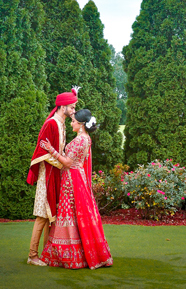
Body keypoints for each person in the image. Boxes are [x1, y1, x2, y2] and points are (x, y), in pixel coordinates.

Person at [39, 109, 113, 269]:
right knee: (74, 214)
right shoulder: (85, 138)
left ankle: (69, 254)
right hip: (76, 177)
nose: (71, 123)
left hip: (71, 179)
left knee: (68, 213)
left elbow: (67, 162)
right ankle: (81, 253)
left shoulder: (81, 140)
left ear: (80, 124)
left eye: (73, 121)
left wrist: (50, 149)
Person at [25, 88, 78, 266]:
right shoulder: (51, 124)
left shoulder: (61, 124)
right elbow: (42, 153)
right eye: (72, 107)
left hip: (56, 175)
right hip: (47, 176)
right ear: (62, 107)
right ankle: (32, 256)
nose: (73, 111)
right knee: (42, 216)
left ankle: (47, 254)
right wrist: (62, 163)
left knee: (50, 217)